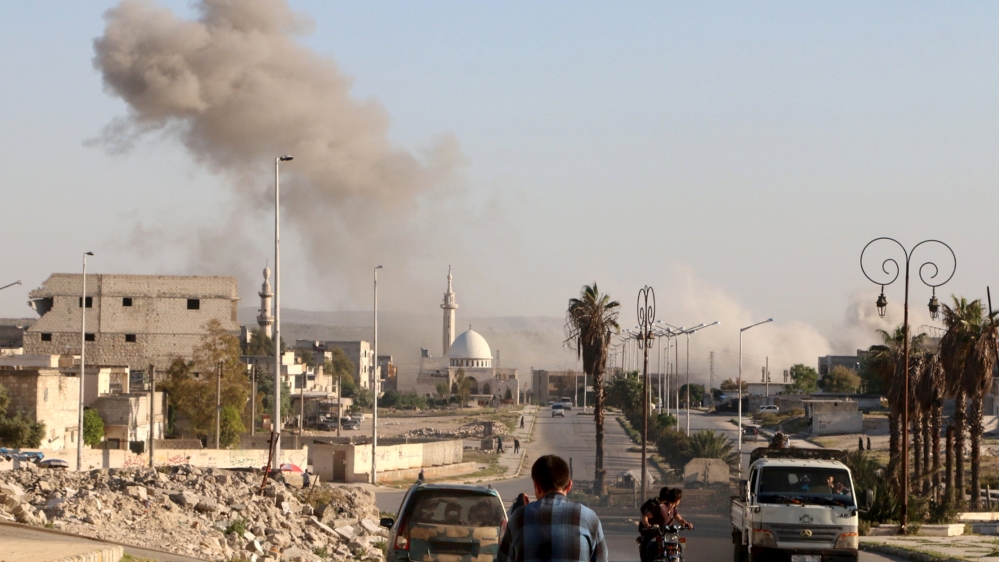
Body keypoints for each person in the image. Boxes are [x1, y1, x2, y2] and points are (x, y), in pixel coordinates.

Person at [498, 455, 608, 562]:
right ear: (569, 485)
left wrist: (524, 516)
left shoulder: (518, 518)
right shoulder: (589, 519)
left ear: (537, 487)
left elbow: (502, 558)